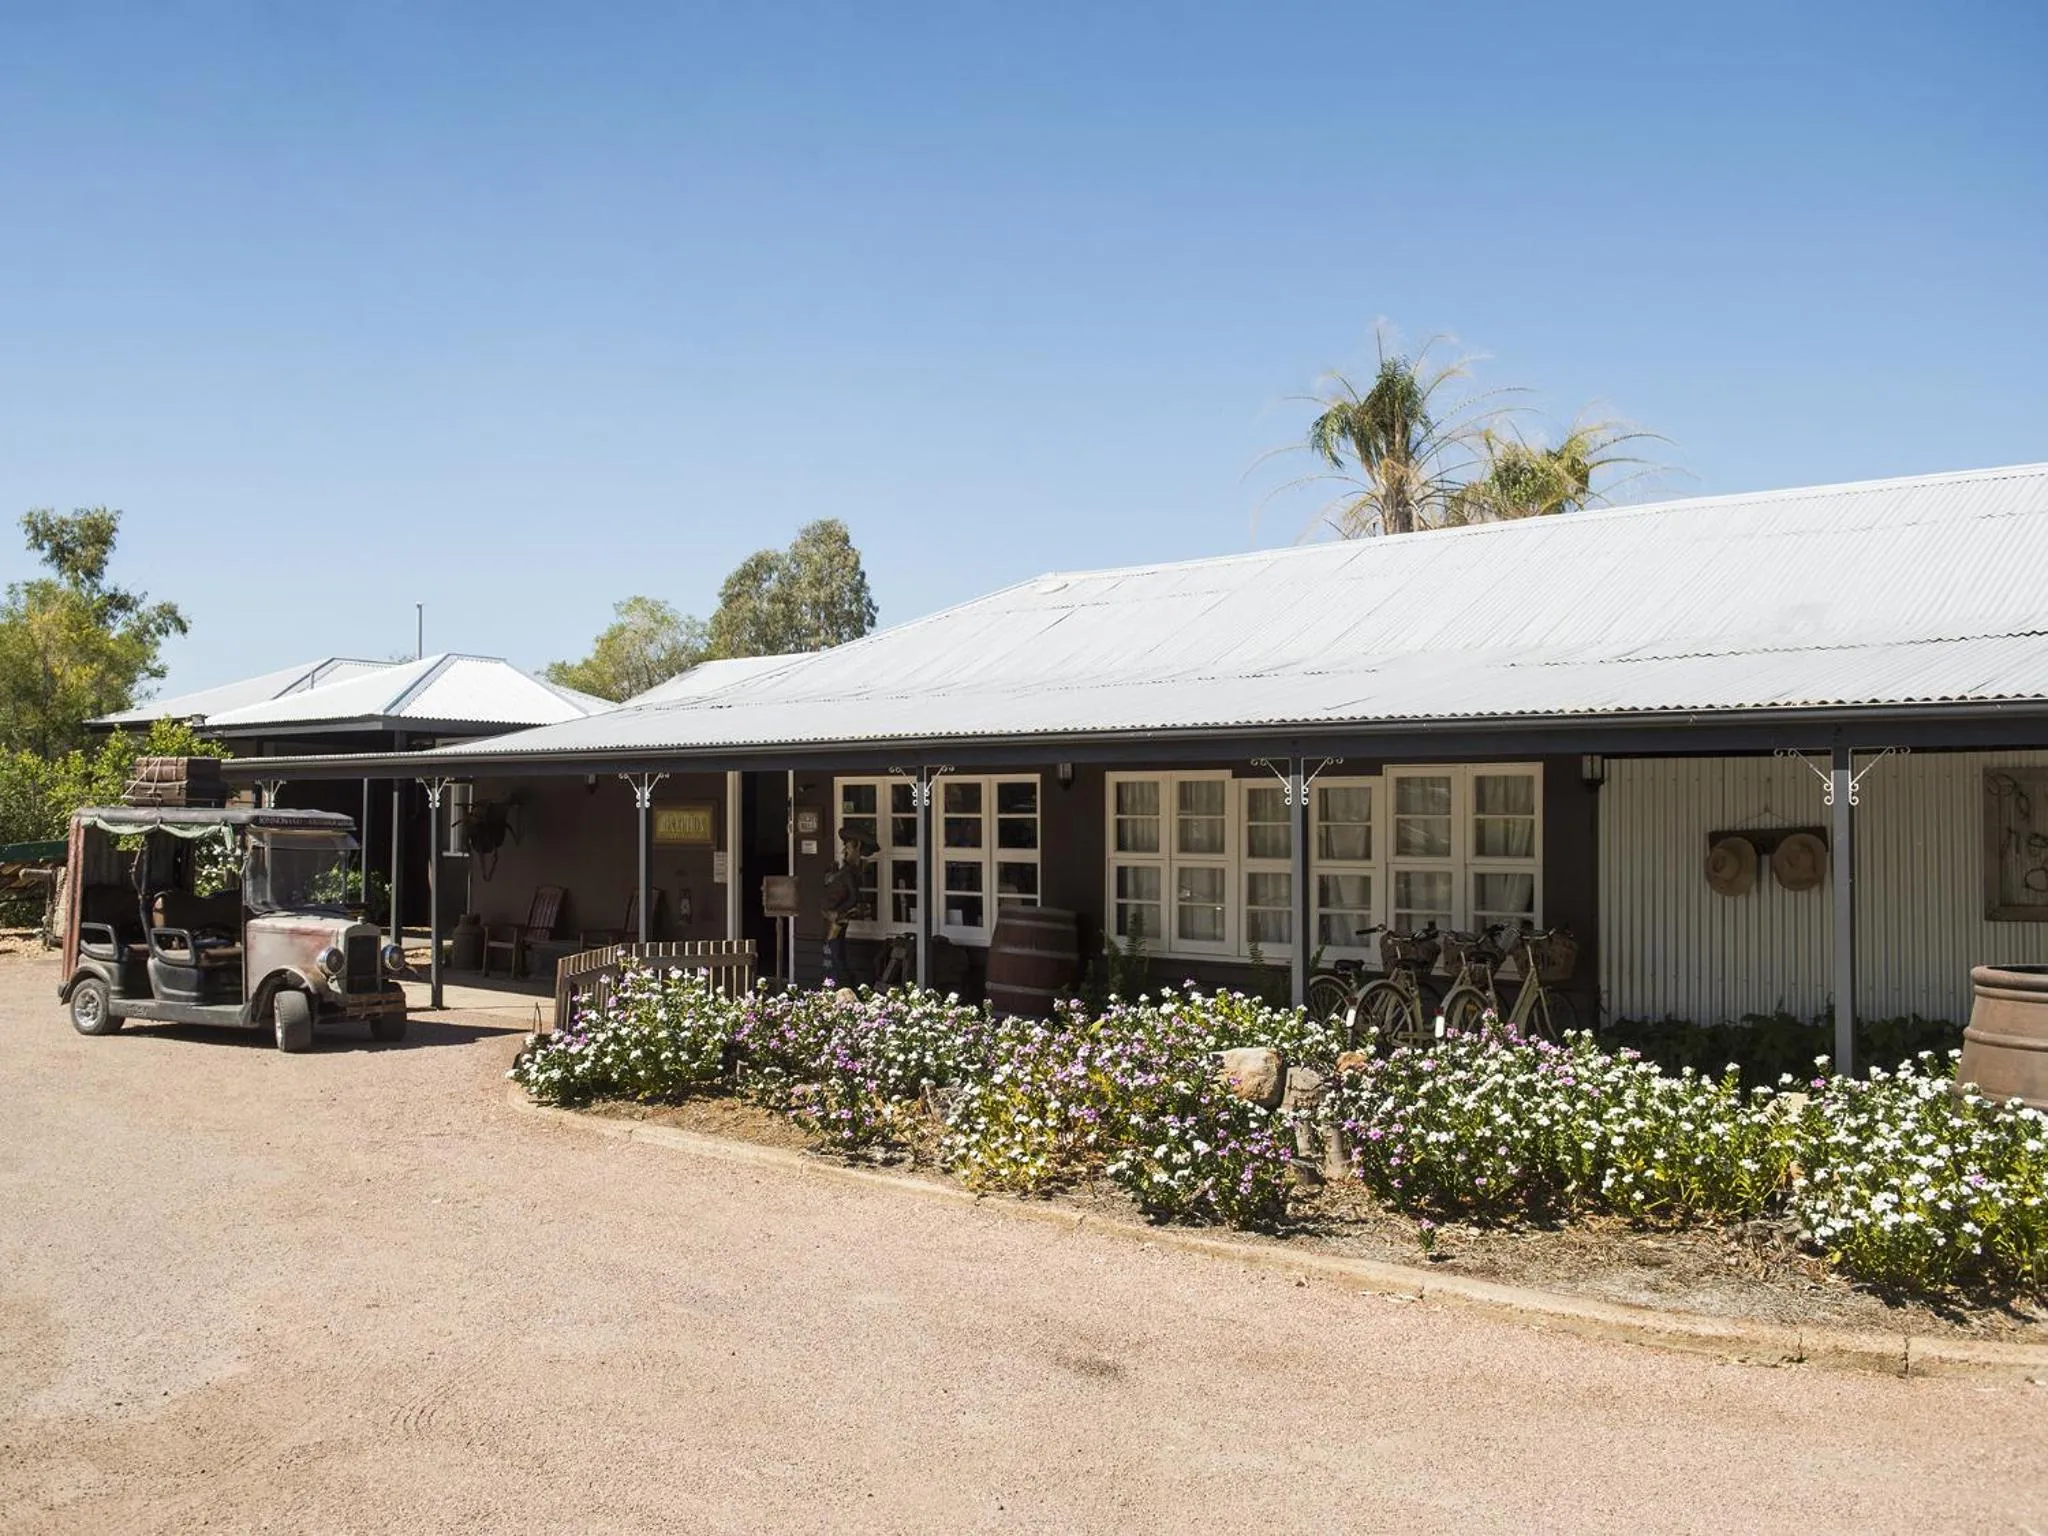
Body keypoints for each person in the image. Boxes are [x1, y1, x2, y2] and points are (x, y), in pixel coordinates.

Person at [820, 834, 871, 983]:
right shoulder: (845, 872)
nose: (844, 851)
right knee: (833, 956)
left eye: (848, 847)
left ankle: (839, 985)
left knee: (835, 957)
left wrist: (840, 913)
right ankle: (836, 984)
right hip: (833, 919)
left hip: (838, 919)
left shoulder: (850, 873)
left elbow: (852, 897)